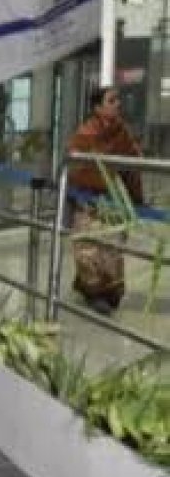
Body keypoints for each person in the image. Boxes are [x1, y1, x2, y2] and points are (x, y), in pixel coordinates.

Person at [67, 85, 143, 315]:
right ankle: (92, 291)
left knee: (113, 249)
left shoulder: (122, 131)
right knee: (90, 248)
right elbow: (77, 168)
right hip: (90, 202)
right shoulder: (85, 133)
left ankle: (108, 291)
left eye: (117, 100)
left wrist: (135, 197)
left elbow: (134, 163)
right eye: (111, 101)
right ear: (98, 107)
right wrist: (97, 183)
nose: (117, 104)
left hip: (115, 201)